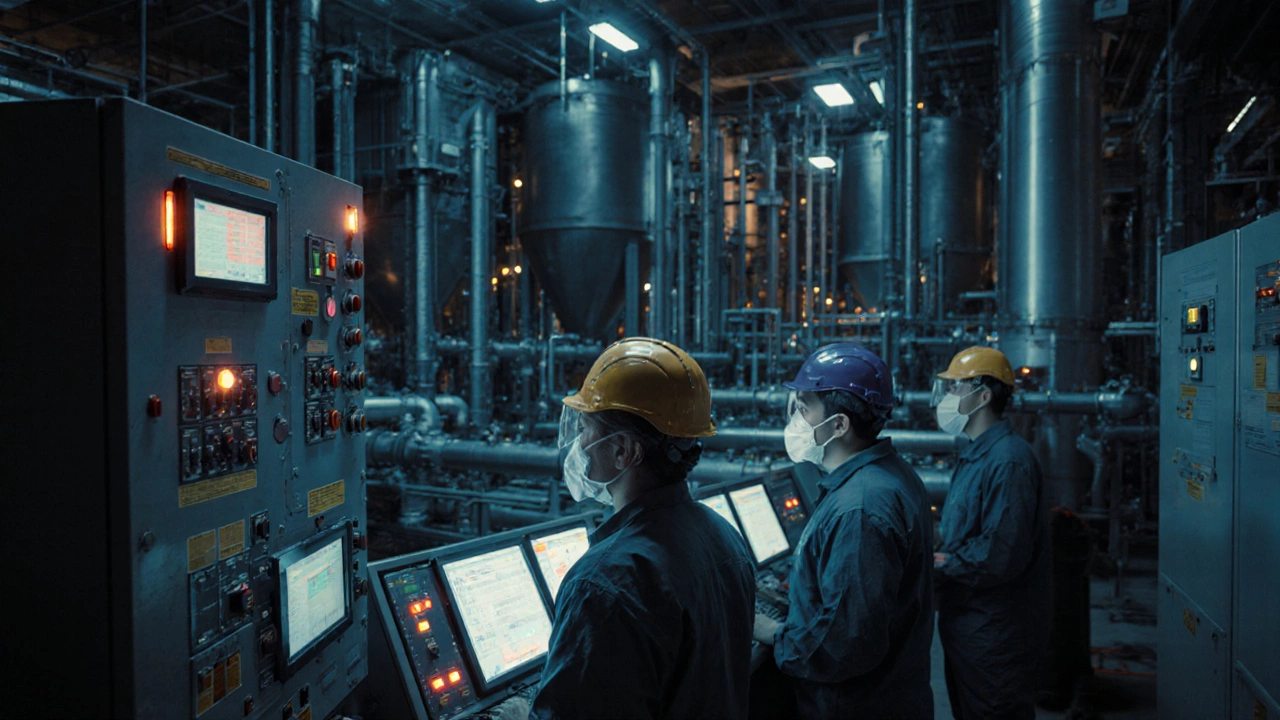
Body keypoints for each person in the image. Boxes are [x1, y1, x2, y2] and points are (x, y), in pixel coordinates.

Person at [526, 337, 757, 719]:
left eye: (585, 429)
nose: (579, 445)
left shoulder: (605, 584)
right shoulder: (723, 536)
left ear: (624, 451)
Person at [752, 342, 935, 719]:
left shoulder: (860, 510)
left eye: (804, 407)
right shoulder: (886, 476)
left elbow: (846, 643)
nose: (796, 418)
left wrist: (770, 631)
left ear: (839, 425)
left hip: (854, 705)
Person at [931, 346, 1051, 720]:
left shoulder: (1008, 461)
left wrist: (942, 563)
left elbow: (1001, 555)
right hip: (970, 627)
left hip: (994, 635)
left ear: (983, 395)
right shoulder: (977, 454)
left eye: (955, 389)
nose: (947, 400)